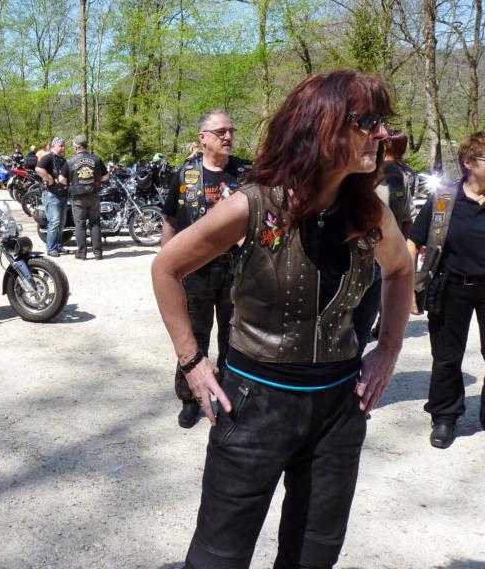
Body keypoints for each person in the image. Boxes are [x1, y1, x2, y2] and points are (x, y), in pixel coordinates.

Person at [152, 70, 413, 568]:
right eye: (367, 122)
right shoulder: (252, 204)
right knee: (218, 558)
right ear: (321, 125)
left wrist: (388, 350)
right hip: (253, 404)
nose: (382, 133)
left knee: (314, 556)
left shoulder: (370, 213)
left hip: (338, 408)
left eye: (382, 121)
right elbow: (166, 267)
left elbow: (400, 270)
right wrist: (193, 363)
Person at [160, 110, 251, 429]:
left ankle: (228, 397)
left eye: (231, 130)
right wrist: (166, 263)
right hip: (195, 271)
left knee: (234, 337)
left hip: (236, 270)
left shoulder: (246, 173)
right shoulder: (185, 174)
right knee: (193, 335)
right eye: (220, 131)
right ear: (203, 138)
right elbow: (170, 220)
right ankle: (191, 398)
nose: (228, 136)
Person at [407, 131, 485, 449]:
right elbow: (413, 241)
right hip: (451, 286)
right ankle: (444, 417)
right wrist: (411, 288)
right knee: (446, 357)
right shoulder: (444, 199)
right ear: (470, 163)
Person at [353, 129, 416, 351]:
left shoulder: (399, 176)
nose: (379, 136)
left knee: (359, 333)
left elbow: (406, 217)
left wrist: (400, 251)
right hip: (352, 259)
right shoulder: (352, 175)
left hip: (379, 260)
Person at [59, 134, 108, 260]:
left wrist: (70, 183)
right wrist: (97, 180)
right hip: (93, 195)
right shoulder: (96, 159)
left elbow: (62, 180)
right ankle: (98, 253)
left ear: (76, 147)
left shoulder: (70, 161)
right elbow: (106, 176)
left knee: (80, 225)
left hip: (78, 197)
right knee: (95, 223)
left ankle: (82, 253)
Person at [35, 136, 68, 257]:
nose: (63, 148)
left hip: (63, 194)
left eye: (64, 146)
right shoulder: (48, 157)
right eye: (61, 145)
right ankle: (51, 248)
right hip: (52, 194)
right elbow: (38, 168)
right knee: (54, 222)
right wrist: (49, 178)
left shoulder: (62, 160)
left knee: (61, 223)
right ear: (54, 146)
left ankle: (58, 246)